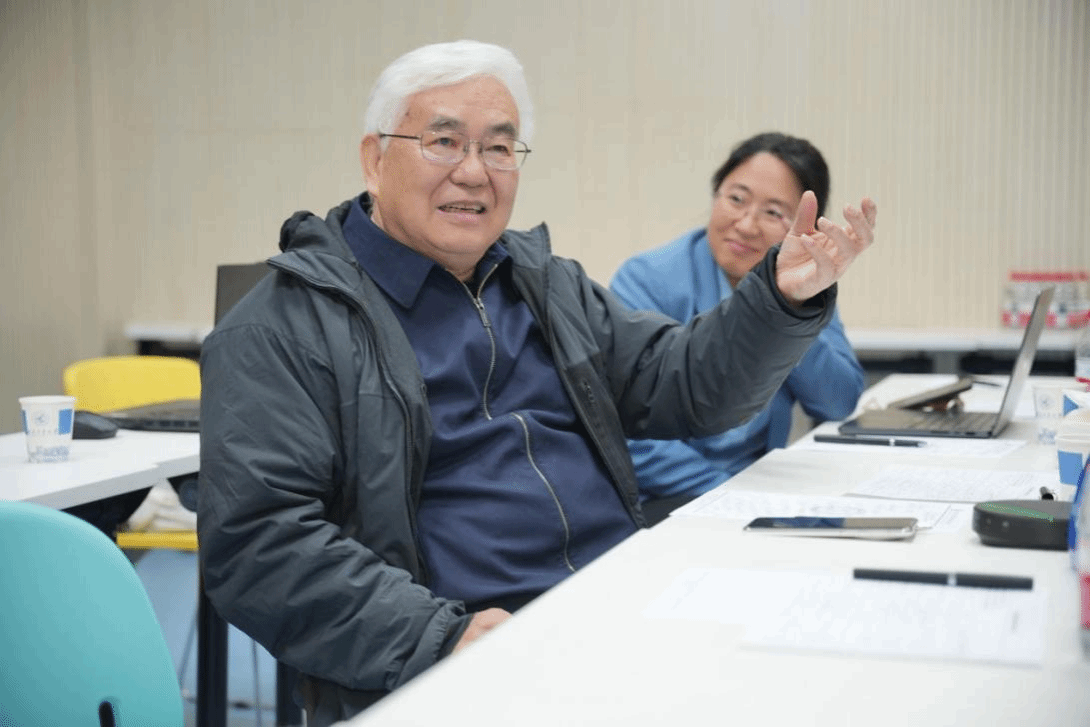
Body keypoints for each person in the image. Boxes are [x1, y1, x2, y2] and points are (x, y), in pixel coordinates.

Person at [197, 41, 876, 726]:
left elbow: (683, 383)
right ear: (375, 159)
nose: (474, 172)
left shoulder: (544, 285)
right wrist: (441, 637)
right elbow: (260, 544)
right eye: (443, 141)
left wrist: (779, 298)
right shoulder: (283, 325)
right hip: (459, 661)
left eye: (499, 148)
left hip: (620, 613)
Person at [610, 132, 867, 523]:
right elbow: (634, 437)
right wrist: (730, 496)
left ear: (805, 228)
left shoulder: (806, 285)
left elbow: (838, 401)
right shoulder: (646, 280)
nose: (746, 225)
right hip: (666, 501)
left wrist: (789, 306)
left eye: (773, 212)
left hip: (759, 491)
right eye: (736, 199)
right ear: (716, 194)